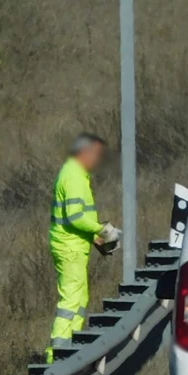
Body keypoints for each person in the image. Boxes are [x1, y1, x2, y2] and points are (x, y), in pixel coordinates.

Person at [48, 134, 122, 363]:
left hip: (75, 245)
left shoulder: (76, 173)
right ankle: (57, 354)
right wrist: (103, 231)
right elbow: (76, 216)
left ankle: (69, 348)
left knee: (80, 298)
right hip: (69, 247)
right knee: (71, 299)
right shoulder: (73, 176)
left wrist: (93, 237)